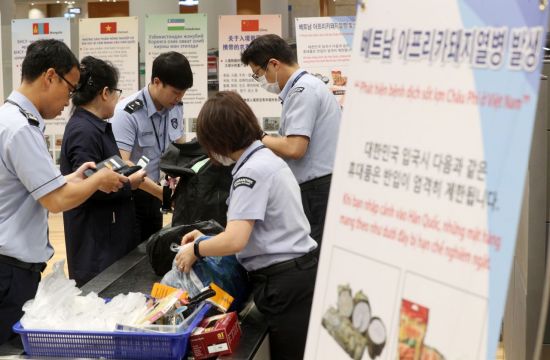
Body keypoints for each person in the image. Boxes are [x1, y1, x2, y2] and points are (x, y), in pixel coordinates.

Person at [0, 39, 127, 345]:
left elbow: (34, 188)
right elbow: (55, 201)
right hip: (9, 271)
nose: (68, 100)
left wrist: (72, 178)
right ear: (50, 76)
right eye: (69, 90)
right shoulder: (20, 129)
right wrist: (97, 181)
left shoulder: (10, 118)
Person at [175, 91, 318, 360]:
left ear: (218, 139)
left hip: (284, 283)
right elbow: (255, 228)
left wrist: (196, 248)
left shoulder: (250, 172)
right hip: (297, 276)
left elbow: (236, 240)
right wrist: (212, 236)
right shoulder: (265, 159)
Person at [241, 34, 342, 246]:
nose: (260, 81)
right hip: (321, 186)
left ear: (274, 65)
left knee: (314, 258)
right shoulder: (309, 85)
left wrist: (257, 136)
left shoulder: (302, 91)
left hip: (317, 190)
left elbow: (295, 148)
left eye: (258, 74)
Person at [60, 56, 147, 287]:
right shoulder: (84, 131)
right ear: (106, 92)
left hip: (109, 233)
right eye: (117, 93)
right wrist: (130, 183)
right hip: (96, 243)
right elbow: (89, 185)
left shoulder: (94, 126)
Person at [111, 51, 193, 246]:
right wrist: (161, 194)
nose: (179, 98)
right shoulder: (127, 112)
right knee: (130, 257)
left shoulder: (175, 106)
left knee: (152, 252)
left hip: (157, 195)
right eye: (175, 92)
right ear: (157, 81)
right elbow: (122, 163)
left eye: (183, 92)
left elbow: (180, 146)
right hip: (132, 198)